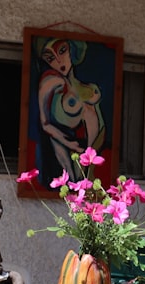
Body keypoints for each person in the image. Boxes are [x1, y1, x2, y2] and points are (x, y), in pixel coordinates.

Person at [35, 38, 105, 184]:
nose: (59, 61)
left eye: (62, 51)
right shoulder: (51, 81)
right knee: (72, 183)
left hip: (91, 150)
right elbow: (45, 123)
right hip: (66, 146)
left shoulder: (81, 84)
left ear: (72, 50)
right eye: (50, 58)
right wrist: (69, 143)